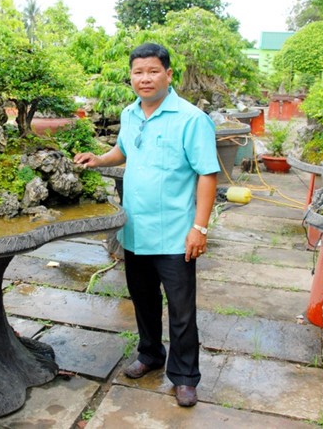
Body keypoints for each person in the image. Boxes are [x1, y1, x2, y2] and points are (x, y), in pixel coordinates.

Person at [74, 42, 219, 407]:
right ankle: (151, 354)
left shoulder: (191, 119)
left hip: (175, 233)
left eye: (153, 71)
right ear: (131, 76)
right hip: (135, 229)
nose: (145, 78)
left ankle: (185, 376)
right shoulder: (130, 113)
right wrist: (99, 159)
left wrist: (199, 228)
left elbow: (207, 175)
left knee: (182, 309)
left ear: (168, 75)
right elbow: (124, 151)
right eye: (138, 72)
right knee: (143, 300)